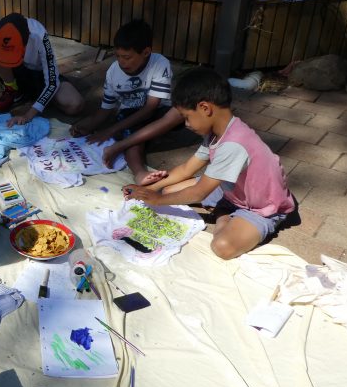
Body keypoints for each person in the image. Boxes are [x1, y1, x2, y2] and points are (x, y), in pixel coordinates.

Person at [124, 67, 297, 260]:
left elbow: (199, 192)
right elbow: (185, 169)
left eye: (187, 117)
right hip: (233, 189)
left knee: (222, 247)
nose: (187, 125)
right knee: (169, 192)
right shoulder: (216, 132)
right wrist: (147, 189)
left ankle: (222, 211)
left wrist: (155, 200)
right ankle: (224, 203)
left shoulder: (234, 144)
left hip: (261, 207)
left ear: (205, 108)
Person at [69, 20, 183, 184]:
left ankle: (120, 145)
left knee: (180, 111)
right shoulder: (113, 72)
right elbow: (105, 109)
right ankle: (139, 173)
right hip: (129, 117)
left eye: (127, 57)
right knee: (133, 137)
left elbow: (151, 108)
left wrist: (110, 130)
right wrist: (87, 125)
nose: (122, 62)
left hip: (156, 113)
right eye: (118, 56)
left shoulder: (160, 63)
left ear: (146, 52)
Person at [0, 12, 85, 127]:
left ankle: (36, 98)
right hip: (14, 75)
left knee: (75, 105)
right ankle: (13, 90)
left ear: (27, 40)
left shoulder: (39, 33)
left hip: (39, 76)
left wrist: (28, 115)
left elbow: (52, 82)